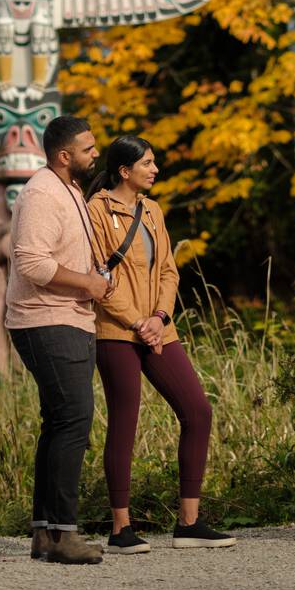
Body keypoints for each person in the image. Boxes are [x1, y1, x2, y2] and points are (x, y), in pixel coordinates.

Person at [86, 134, 235, 554]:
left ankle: (188, 523)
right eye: (148, 163)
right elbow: (100, 277)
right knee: (125, 420)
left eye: (154, 163)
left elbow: (169, 271)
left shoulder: (152, 210)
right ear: (124, 170)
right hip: (116, 330)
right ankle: (121, 529)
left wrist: (158, 319)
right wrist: (136, 320)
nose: (155, 170)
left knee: (197, 410)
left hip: (158, 328)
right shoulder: (96, 211)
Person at [6, 114, 112, 564]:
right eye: (88, 148)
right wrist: (87, 284)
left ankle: (45, 535)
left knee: (59, 423)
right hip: (46, 320)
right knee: (73, 420)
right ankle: (64, 534)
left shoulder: (67, 189)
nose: (96, 154)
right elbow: (31, 263)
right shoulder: (42, 193)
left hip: (65, 319)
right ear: (64, 156)